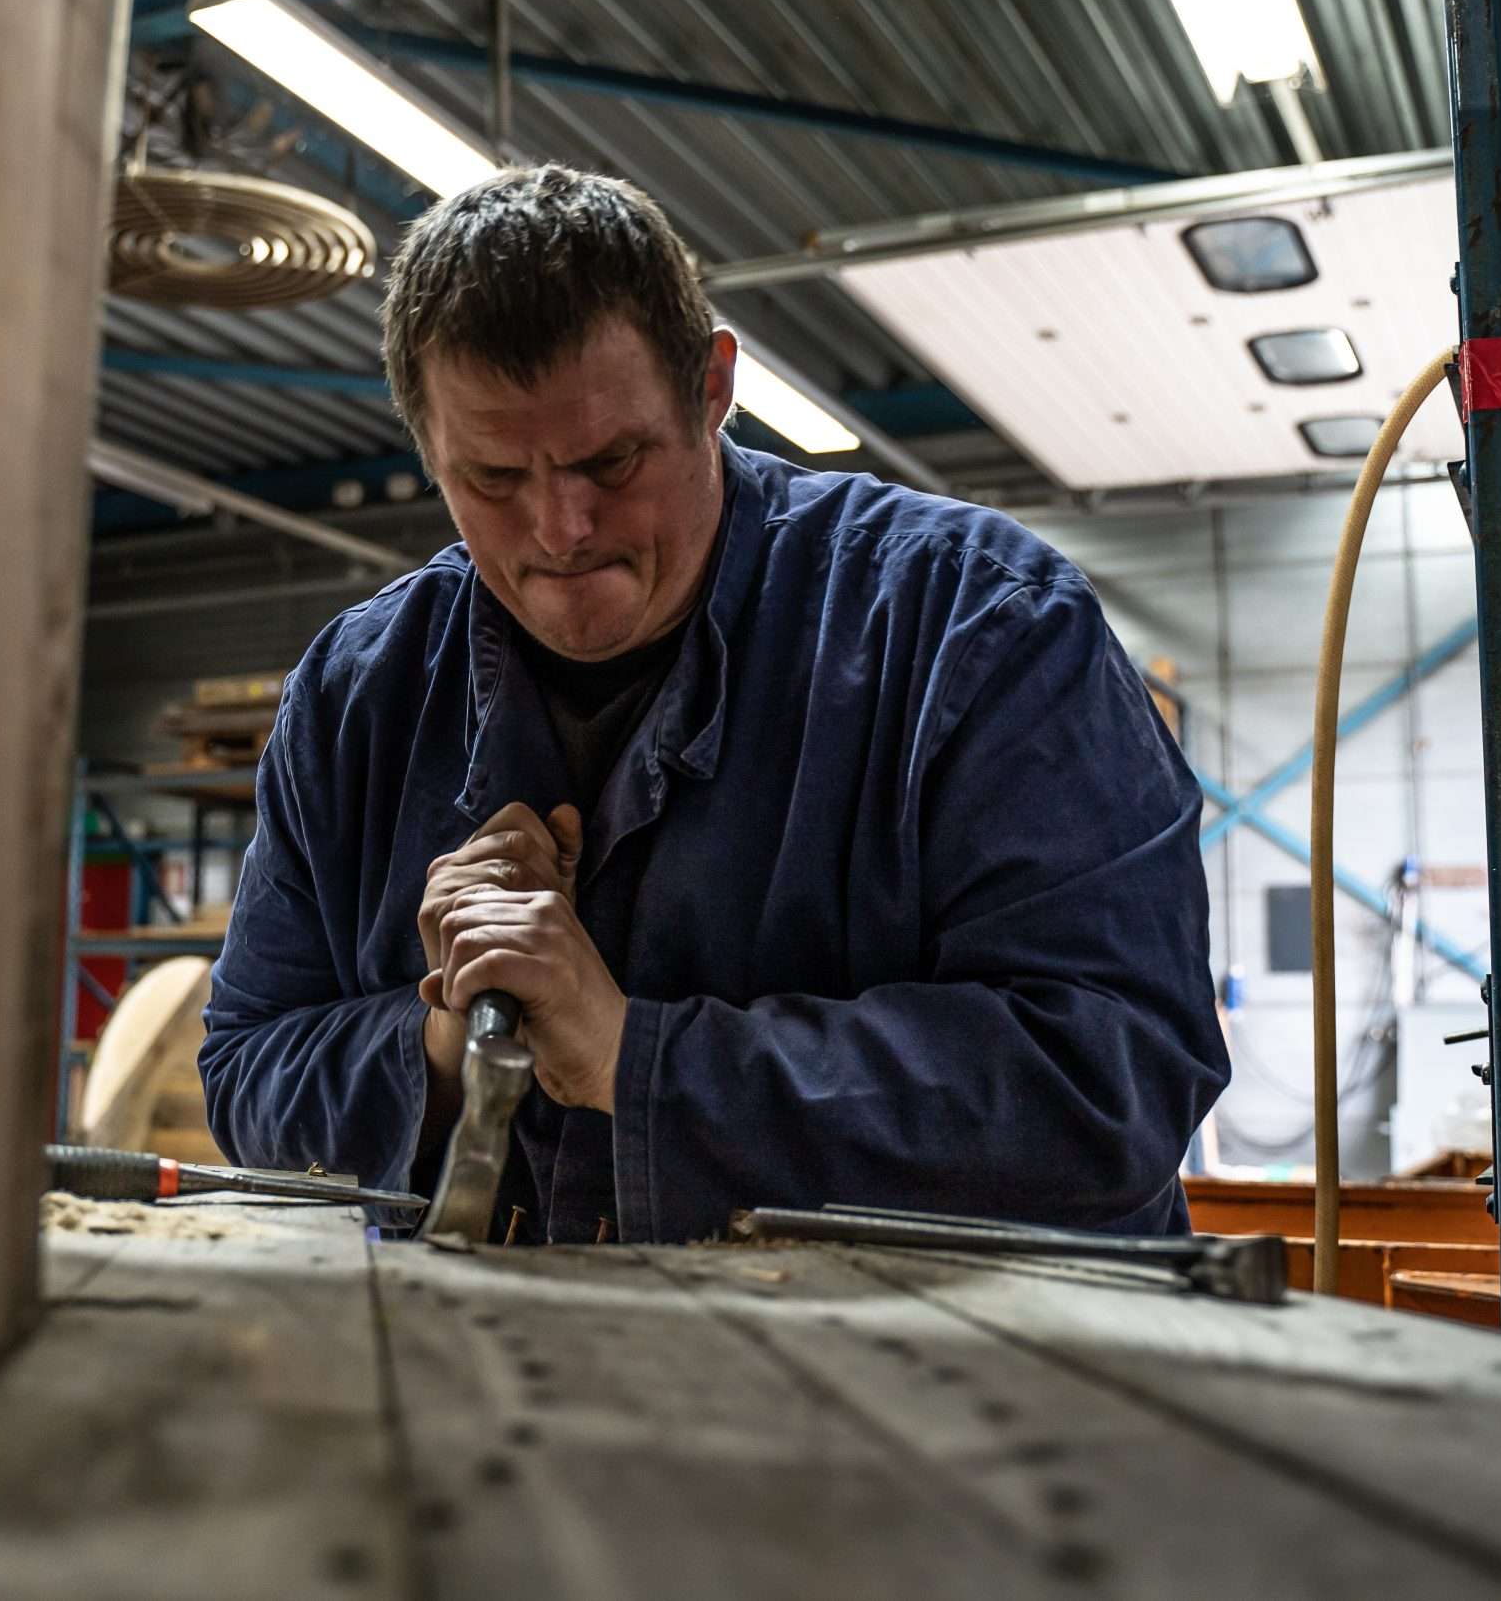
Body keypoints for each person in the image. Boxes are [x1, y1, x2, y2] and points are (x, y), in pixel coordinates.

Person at [200, 165, 1226, 1244]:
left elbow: (1109, 1084)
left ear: (712, 388)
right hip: (503, 1378)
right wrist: (446, 1039)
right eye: (494, 478)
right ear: (429, 450)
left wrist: (636, 1059)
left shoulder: (976, 630)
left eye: (611, 459)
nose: (561, 529)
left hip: (931, 1391)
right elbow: (242, 1071)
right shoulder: (358, 695)